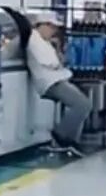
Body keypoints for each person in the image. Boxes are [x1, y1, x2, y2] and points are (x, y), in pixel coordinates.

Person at [26, 12, 91, 155]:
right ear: (43, 25)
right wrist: (57, 58)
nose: (53, 31)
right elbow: (51, 62)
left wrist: (57, 49)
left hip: (58, 78)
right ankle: (62, 136)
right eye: (52, 28)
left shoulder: (45, 42)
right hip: (50, 82)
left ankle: (71, 139)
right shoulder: (33, 40)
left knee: (83, 102)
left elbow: (59, 61)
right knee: (82, 104)